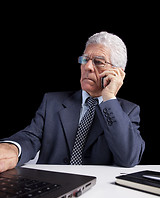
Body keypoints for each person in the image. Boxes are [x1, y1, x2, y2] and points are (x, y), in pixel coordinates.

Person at [0, 31, 145, 172]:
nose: (87, 67)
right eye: (85, 60)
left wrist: (108, 97)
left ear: (117, 72)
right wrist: (12, 149)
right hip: (52, 186)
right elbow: (30, 137)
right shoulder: (52, 102)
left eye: (98, 62)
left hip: (99, 190)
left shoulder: (127, 111)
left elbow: (128, 158)